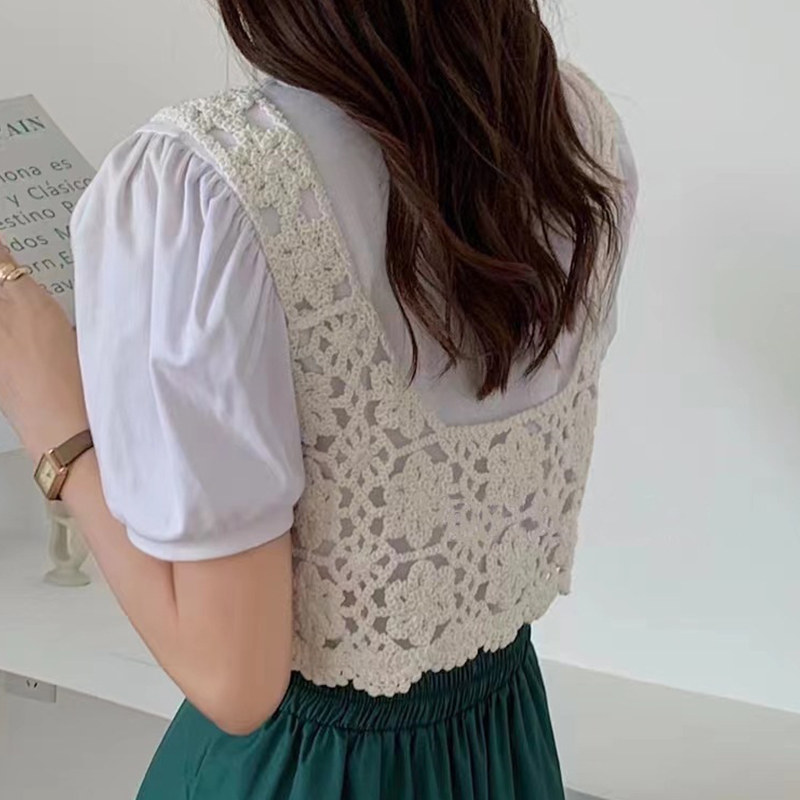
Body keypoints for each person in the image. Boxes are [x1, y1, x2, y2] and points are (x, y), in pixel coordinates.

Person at [0, 1, 638, 797]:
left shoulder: (219, 186)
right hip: (500, 745)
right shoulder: (571, 127)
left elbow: (234, 680)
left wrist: (59, 428)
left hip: (310, 769)